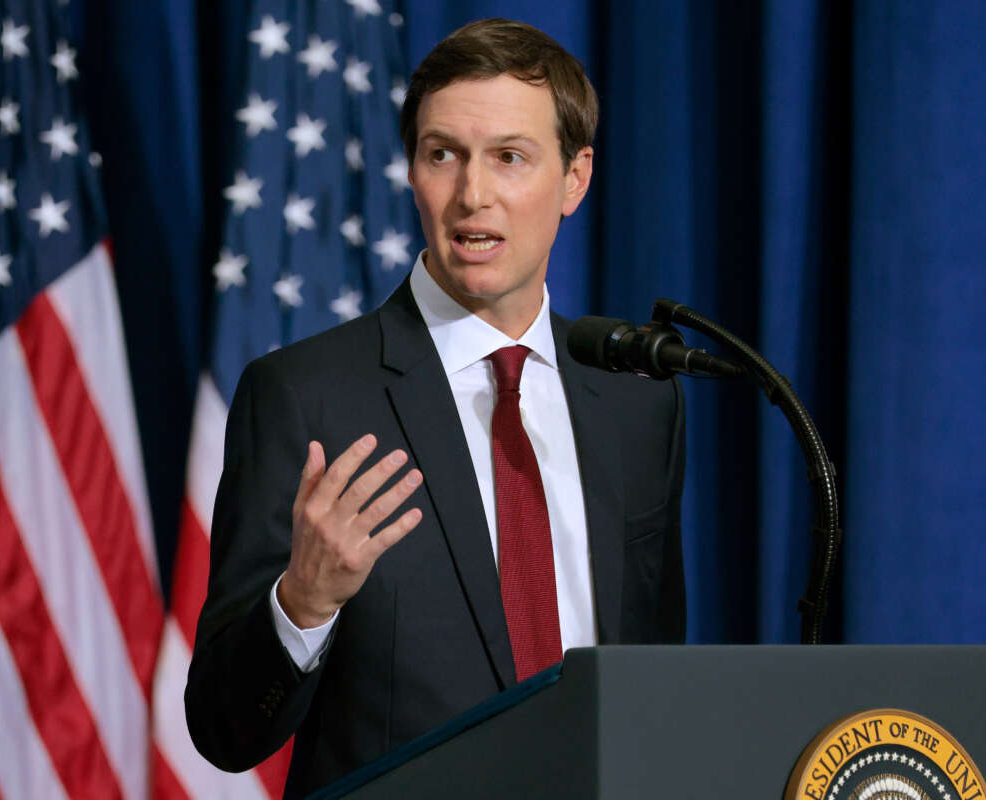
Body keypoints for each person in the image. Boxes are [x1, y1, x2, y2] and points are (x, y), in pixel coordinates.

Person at [186, 18, 686, 798]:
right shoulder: (306, 396)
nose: (471, 195)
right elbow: (223, 729)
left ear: (575, 179)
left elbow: (655, 678)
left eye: (509, 158)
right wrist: (303, 603)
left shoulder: (635, 400)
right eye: (441, 154)